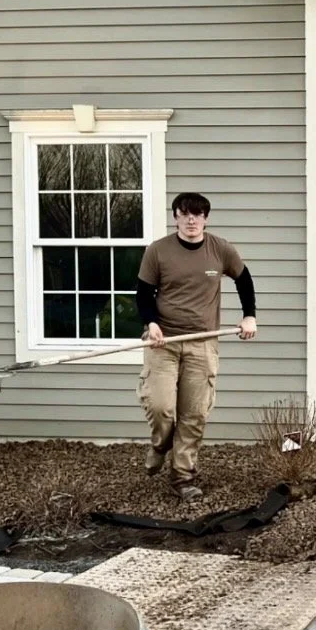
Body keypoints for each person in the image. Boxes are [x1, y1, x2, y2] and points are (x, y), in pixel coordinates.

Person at [136, 192, 257, 502]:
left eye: (198, 214)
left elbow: (244, 281)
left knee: (194, 414)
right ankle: (161, 445)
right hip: (163, 342)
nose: (192, 220)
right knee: (160, 407)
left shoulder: (221, 249)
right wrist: (151, 323)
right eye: (185, 213)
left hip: (202, 343)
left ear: (206, 218)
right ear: (175, 216)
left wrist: (249, 316)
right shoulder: (158, 251)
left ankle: (183, 477)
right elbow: (143, 294)